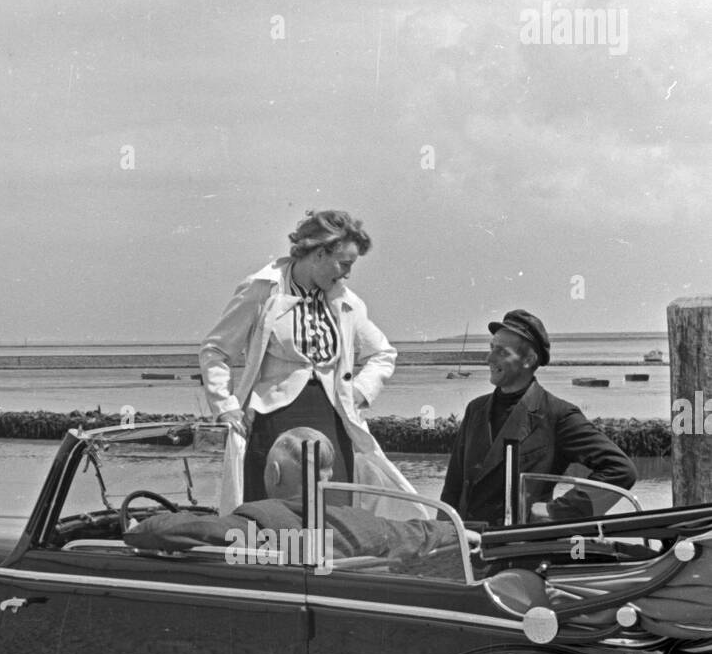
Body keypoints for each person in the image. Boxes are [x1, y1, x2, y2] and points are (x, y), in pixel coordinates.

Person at [199, 208, 419, 514]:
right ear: (318, 253)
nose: (347, 274)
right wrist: (226, 407)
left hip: (334, 422)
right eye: (344, 264)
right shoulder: (262, 290)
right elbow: (215, 350)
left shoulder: (347, 302)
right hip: (274, 422)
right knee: (274, 514)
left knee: (335, 512)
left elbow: (383, 354)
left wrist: (360, 392)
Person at [130, 427, 475, 565]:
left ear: (274, 473)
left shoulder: (259, 523)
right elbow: (423, 531)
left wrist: (136, 524)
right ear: (327, 476)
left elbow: (159, 533)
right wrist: (465, 532)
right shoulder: (366, 523)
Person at [441, 309, 637, 527]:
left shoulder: (557, 415)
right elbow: (452, 488)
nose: (489, 358)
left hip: (521, 550)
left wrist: (559, 512)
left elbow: (620, 470)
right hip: (468, 546)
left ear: (529, 359)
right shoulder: (475, 409)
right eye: (491, 348)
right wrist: (442, 540)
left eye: (502, 352)